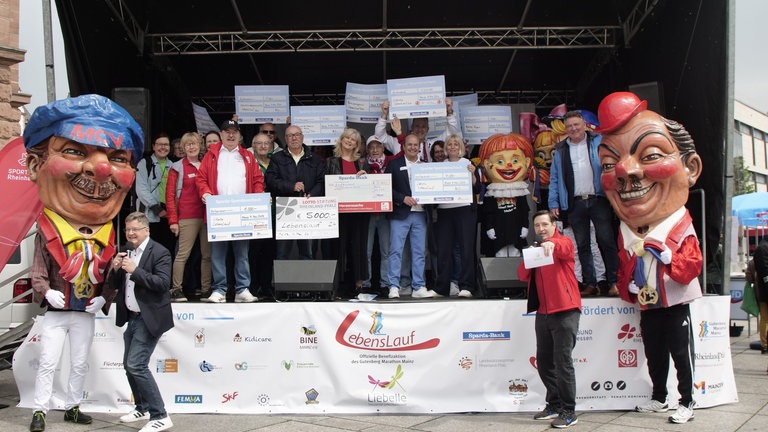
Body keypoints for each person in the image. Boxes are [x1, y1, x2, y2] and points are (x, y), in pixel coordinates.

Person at [23, 94, 143, 432]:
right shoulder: (47, 236)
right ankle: (40, 410)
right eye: (75, 151)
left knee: (78, 363)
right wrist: (46, 292)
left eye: (118, 158)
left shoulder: (110, 242)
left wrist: (107, 294)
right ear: (34, 165)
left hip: (85, 313)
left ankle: (73, 405)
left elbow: (109, 275)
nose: (102, 169)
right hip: (57, 313)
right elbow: (37, 272)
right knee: (48, 363)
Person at [596, 91, 703, 424]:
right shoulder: (627, 235)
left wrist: (667, 254)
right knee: (654, 353)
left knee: (680, 353)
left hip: (674, 303)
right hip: (648, 305)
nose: (626, 171)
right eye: (609, 165)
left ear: (691, 168)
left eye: (651, 154)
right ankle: (660, 396)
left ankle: (687, 400)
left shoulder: (680, 228)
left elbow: (691, 267)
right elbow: (625, 271)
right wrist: (627, 284)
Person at [102, 212, 174, 432]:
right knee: (128, 365)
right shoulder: (126, 252)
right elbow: (115, 284)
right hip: (131, 317)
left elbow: (162, 283)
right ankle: (141, 408)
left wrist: (135, 270)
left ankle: (160, 415)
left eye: (134, 229)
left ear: (146, 230)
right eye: (127, 229)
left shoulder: (160, 252)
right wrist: (115, 268)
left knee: (136, 364)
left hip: (149, 317)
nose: (130, 233)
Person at [518, 210, 581, 429]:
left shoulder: (562, 242)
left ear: (554, 225)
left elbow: (565, 249)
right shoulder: (536, 249)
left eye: (545, 224)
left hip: (565, 310)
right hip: (543, 312)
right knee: (544, 362)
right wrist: (529, 256)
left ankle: (569, 410)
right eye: (537, 226)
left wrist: (553, 245)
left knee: (563, 362)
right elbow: (521, 275)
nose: (541, 229)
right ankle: (554, 403)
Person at [548, 110, 618, 297]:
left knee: (606, 240)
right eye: (569, 126)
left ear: (584, 125)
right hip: (575, 202)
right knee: (582, 244)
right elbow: (554, 178)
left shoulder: (598, 141)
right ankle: (590, 283)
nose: (573, 129)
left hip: (598, 198)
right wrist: (553, 201)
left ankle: (614, 281)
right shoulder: (561, 148)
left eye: (576, 124)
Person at [197, 119, 263, 303]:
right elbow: (201, 179)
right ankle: (219, 290)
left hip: (242, 212)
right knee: (217, 254)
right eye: (227, 132)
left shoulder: (248, 156)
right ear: (221, 135)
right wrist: (206, 193)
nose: (231, 135)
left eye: (234, 132)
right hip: (218, 212)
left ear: (240, 135)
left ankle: (242, 289)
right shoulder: (210, 155)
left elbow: (258, 180)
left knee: (242, 253)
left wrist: (257, 197)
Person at [385, 134, 438, 299]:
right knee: (395, 251)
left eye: (416, 145)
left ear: (420, 146)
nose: (413, 147)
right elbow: (385, 187)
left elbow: (434, 188)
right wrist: (402, 198)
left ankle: (418, 287)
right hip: (401, 214)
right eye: (410, 144)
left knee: (419, 252)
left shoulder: (426, 166)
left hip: (421, 214)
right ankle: (393, 286)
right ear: (404, 146)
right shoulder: (394, 164)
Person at [265, 125, 326, 259]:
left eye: (297, 134)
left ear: (302, 137)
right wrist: (291, 186)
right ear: (285, 139)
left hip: (308, 210)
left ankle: (307, 280)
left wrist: (312, 194)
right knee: (282, 253)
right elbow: (270, 181)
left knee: (308, 253)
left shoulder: (315, 159)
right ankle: (283, 280)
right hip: (285, 210)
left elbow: (322, 181)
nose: (294, 138)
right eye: (290, 135)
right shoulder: (277, 158)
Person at [166, 132, 211, 302]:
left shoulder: (205, 165)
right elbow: (169, 196)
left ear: (200, 146)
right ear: (183, 148)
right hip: (187, 216)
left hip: (207, 216)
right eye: (188, 145)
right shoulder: (177, 167)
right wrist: (173, 220)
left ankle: (206, 289)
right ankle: (176, 289)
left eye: (194, 144)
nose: (191, 147)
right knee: (183, 254)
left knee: (207, 255)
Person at [325, 128, 370, 295]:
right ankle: (336, 286)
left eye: (353, 140)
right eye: (347, 138)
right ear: (341, 140)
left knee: (358, 247)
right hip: (338, 213)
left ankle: (357, 284)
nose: (349, 141)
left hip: (359, 213)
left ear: (357, 145)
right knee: (338, 248)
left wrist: (366, 178)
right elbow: (325, 185)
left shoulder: (363, 163)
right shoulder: (331, 161)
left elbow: (370, 189)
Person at [434, 134, 479, 298]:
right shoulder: (440, 165)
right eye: (450, 144)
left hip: (464, 210)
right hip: (445, 210)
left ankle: (467, 286)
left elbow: (478, 188)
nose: (452, 146)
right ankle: (442, 287)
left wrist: (474, 175)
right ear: (446, 148)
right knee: (444, 249)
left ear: (460, 147)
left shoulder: (467, 164)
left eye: (455, 144)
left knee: (466, 248)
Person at [478, 133, 533, 258]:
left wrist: (525, 225)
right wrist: (490, 227)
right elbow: (488, 212)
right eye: (500, 161)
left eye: (515, 160)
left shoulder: (520, 190)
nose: (509, 165)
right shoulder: (491, 192)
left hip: (515, 229)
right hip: (498, 230)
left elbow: (524, 210)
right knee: (499, 254)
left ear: (527, 162)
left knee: (515, 253)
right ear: (487, 164)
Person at [362, 133, 404, 293]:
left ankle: (385, 284)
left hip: (386, 212)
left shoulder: (391, 161)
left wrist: (400, 135)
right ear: (367, 150)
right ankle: (366, 283)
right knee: (366, 250)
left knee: (386, 250)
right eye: (371, 147)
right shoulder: (362, 164)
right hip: (367, 213)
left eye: (377, 146)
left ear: (383, 148)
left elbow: (402, 151)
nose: (374, 150)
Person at [374, 98, 458, 162]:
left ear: (428, 129)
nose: (420, 129)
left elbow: (451, 132)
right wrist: (384, 115)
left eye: (423, 126)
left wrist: (449, 112)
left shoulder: (434, 144)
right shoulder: (398, 143)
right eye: (417, 126)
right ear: (412, 127)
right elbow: (379, 136)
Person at [135, 133, 176, 260]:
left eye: (166, 144)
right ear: (153, 146)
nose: (163, 147)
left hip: (169, 213)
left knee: (168, 247)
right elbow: (141, 189)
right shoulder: (144, 163)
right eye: (159, 144)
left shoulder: (174, 165)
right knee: (149, 249)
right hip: (150, 213)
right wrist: (156, 209)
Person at [248, 133, 277, 298]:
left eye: (267, 143)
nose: (263, 146)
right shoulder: (249, 162)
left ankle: (266, 286)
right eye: (259, 143)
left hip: (273, 214)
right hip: (254, 215)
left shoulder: (276, 162)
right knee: (253, 252)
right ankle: (253, 286)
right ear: (253, 146)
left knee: (269, 252)